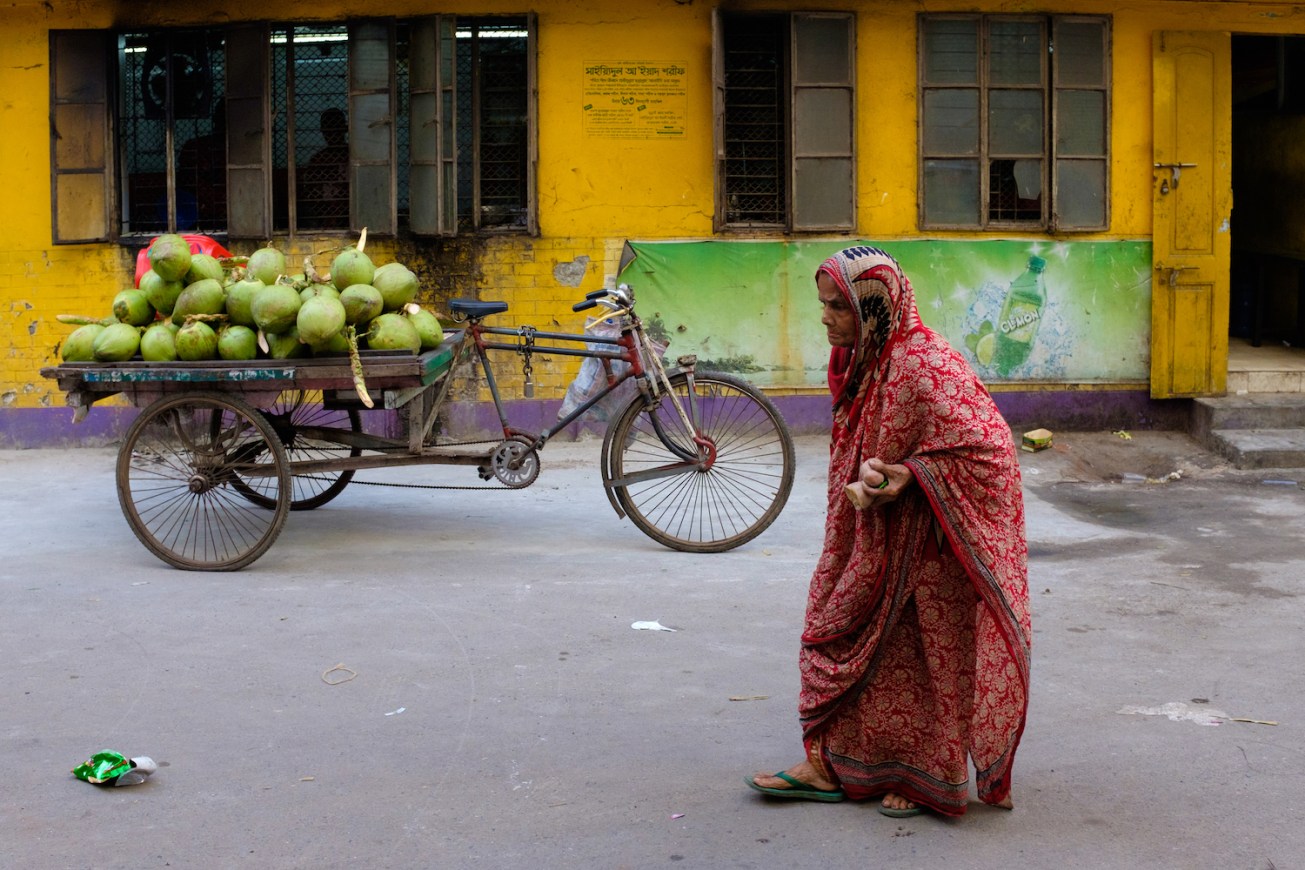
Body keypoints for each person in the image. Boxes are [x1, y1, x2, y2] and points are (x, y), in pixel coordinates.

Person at [746, 246, 1031, 818]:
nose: (825, 317)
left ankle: (924, 777)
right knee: (839, 631)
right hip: (866, 536)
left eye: (839, 308)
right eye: (823, 305)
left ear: (874, 310)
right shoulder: (862, 361)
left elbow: (992, 450)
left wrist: (911, 475)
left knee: (925, 661)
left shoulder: (924, 363)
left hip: (929, 546)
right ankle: (830, 764)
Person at [298, 107, 349, 228]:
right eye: (328, 131)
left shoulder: (353, 157)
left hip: (347, 210)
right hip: (325, 211)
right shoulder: (318, 160)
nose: (331, 135)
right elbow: (309, 191)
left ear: (344, 129)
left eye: (335, 131)